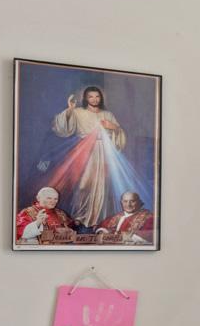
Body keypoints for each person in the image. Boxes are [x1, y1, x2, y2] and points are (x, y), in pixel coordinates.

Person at [45, 85, 134, 225]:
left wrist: (113, 127)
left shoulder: (108, 114)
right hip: (85, 150)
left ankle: (100, 218)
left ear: (101, 98)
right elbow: (62, 127)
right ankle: (80, 216)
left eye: (97, 96)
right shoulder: (78, 112)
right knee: (83, 185)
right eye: (91, 96)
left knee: (103, 185)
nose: (94, 99)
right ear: (86, 98)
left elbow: (120, 134)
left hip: (104, 152)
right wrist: (70, 109)